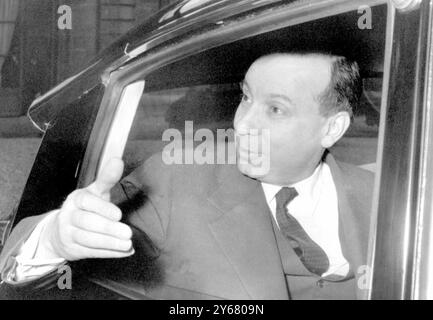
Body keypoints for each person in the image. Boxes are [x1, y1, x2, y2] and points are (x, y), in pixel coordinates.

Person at [0, 52, 373, 299]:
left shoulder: (389, 194)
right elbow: (33, 259)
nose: (242, 124)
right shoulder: (177, 178)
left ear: (333, 127)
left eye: (275, 109)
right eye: (245, 97)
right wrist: (55, 238)